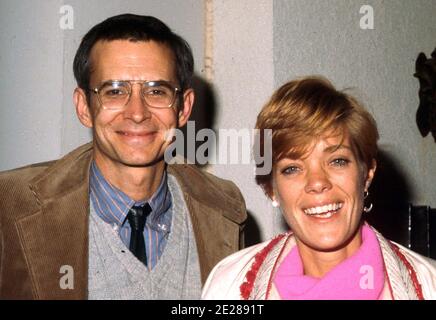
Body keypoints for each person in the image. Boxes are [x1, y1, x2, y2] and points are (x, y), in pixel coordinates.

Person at [0, 14, 246, 299]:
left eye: (157, 91)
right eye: (115, 91)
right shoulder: (10, 206)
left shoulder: (224, 209)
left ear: (183, 108)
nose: (137, 113)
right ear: (83, 107)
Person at [202, 77, 436, 300]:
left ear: (366, 175)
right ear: (271, 188)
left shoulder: (430, 285)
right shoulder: (228, 285)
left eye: (337, 161)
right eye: (292, 168)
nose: (317, 182)